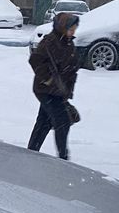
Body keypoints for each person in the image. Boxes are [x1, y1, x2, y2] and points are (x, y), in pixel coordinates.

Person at [27, 12, 81, 160]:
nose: (73, 32)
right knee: (62, 121)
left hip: (58, 91)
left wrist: (67, 88)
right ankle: (63, 157)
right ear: (62, 27)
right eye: (71, 29)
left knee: (44, 122)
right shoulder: (50, 42)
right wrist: (48, 79)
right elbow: (35, 60)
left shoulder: (67, 42)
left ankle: (31, 152)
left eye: (74, 29)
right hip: (46, 90)